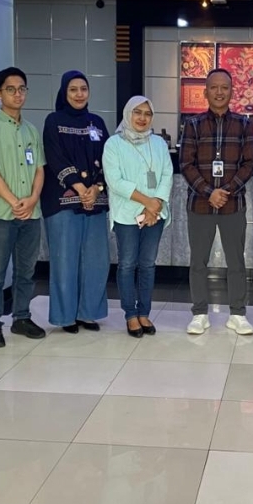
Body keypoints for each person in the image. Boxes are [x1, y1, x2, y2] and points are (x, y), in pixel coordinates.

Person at [180, 68, 253, 336]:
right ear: (206, 92)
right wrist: (208, 192)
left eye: (225, 87)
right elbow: (186, 164)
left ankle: (237, 313)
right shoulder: (192, 124)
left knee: (236, 261)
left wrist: (226, 191)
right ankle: (200, 313)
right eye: (214, 87)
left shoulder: (244, 124)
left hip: (233, 205)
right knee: (198, 261)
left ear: (232, 91)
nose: (219, 92)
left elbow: (249, 163)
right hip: (199, 205)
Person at [0, 67, 46, 348]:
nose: (17, 94)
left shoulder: (31, 130)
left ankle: (21, 317)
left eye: (22, 89)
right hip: (2, 215)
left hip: (31, 214)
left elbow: (40, 168)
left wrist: (32, 199)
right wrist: (13, 201)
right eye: (10, 89)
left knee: (25, 271)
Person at [40, 70, 110, 333]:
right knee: (65, 260)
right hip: (63, 202)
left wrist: (96, 187)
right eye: (73, 89)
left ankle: (88, 313)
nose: (79, 94)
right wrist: (80, 188)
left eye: (84, 89)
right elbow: (55, 157)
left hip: (95, 201)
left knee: (96, 260)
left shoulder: (97, 123)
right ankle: (66, 316)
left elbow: (108, 158)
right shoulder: (54, 121)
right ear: (64, 92)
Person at [103, 96, 174, 337]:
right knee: (127, 264)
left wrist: (155, 205)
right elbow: (115, 181)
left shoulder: (159, 144)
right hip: (126, 215)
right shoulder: (114, 144)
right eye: (137, 112)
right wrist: (147, 202)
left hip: (155, 214)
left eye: (147, 113)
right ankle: (130, 315)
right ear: (128, 114)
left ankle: (144, 313)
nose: (142, 118)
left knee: (147, 265)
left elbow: (167, 175)